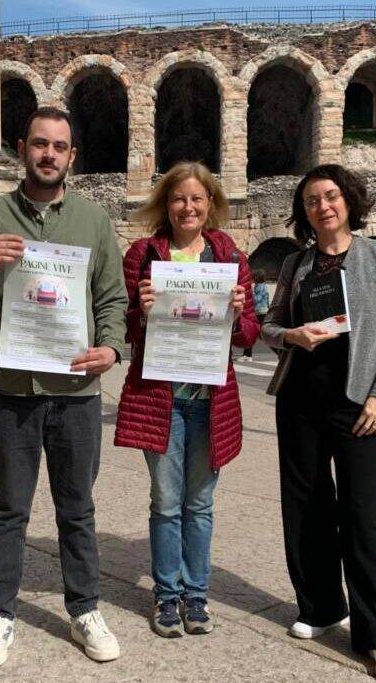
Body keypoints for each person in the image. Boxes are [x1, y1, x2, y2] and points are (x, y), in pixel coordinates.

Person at [0, 106, 128, 669]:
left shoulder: (94, 222)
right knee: (9, 510)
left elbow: (112, 299)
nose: (49, 154)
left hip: (75, 392)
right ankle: (0, 615)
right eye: (39, 144)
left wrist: (112, 348)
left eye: (59, 146)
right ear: (21, 149)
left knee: (77, 510)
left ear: (72, 156)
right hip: (13, 393)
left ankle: (83, 609)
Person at [261, 164, 376, 683]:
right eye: (310, 201)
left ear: (348, 201)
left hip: (359, 405)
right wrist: (291, 337)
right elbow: (269, 325)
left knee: (361, 514)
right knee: (305, 508)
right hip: (301, 400)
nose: (322, 207)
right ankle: (322, 606)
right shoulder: (297, 264)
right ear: (303, 212)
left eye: (330, 197)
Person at [114, 162, 260, 637]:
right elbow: (125, 326)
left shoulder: (230, 257)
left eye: (197, 199)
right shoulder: (143, 253)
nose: (188, 207)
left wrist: (238, 314)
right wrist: (143, 310)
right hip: (161, 398)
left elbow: (249, 334)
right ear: (166, 204)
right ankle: (166, 595)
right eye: (179, 198)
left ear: (211, 204)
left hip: (210, 399)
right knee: (166, 501)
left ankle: (196, 596)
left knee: (200, 504)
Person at [243, 270, 270, 358]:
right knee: (257, 332)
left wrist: (251, 292)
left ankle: (247, 355)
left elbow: (256, 299)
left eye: (253, 277)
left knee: (251, 332)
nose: (252, 279)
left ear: (256, 278)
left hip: (259, 312)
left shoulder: (260, 287)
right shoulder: (262, 286)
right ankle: (247, 354)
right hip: (261, 311)